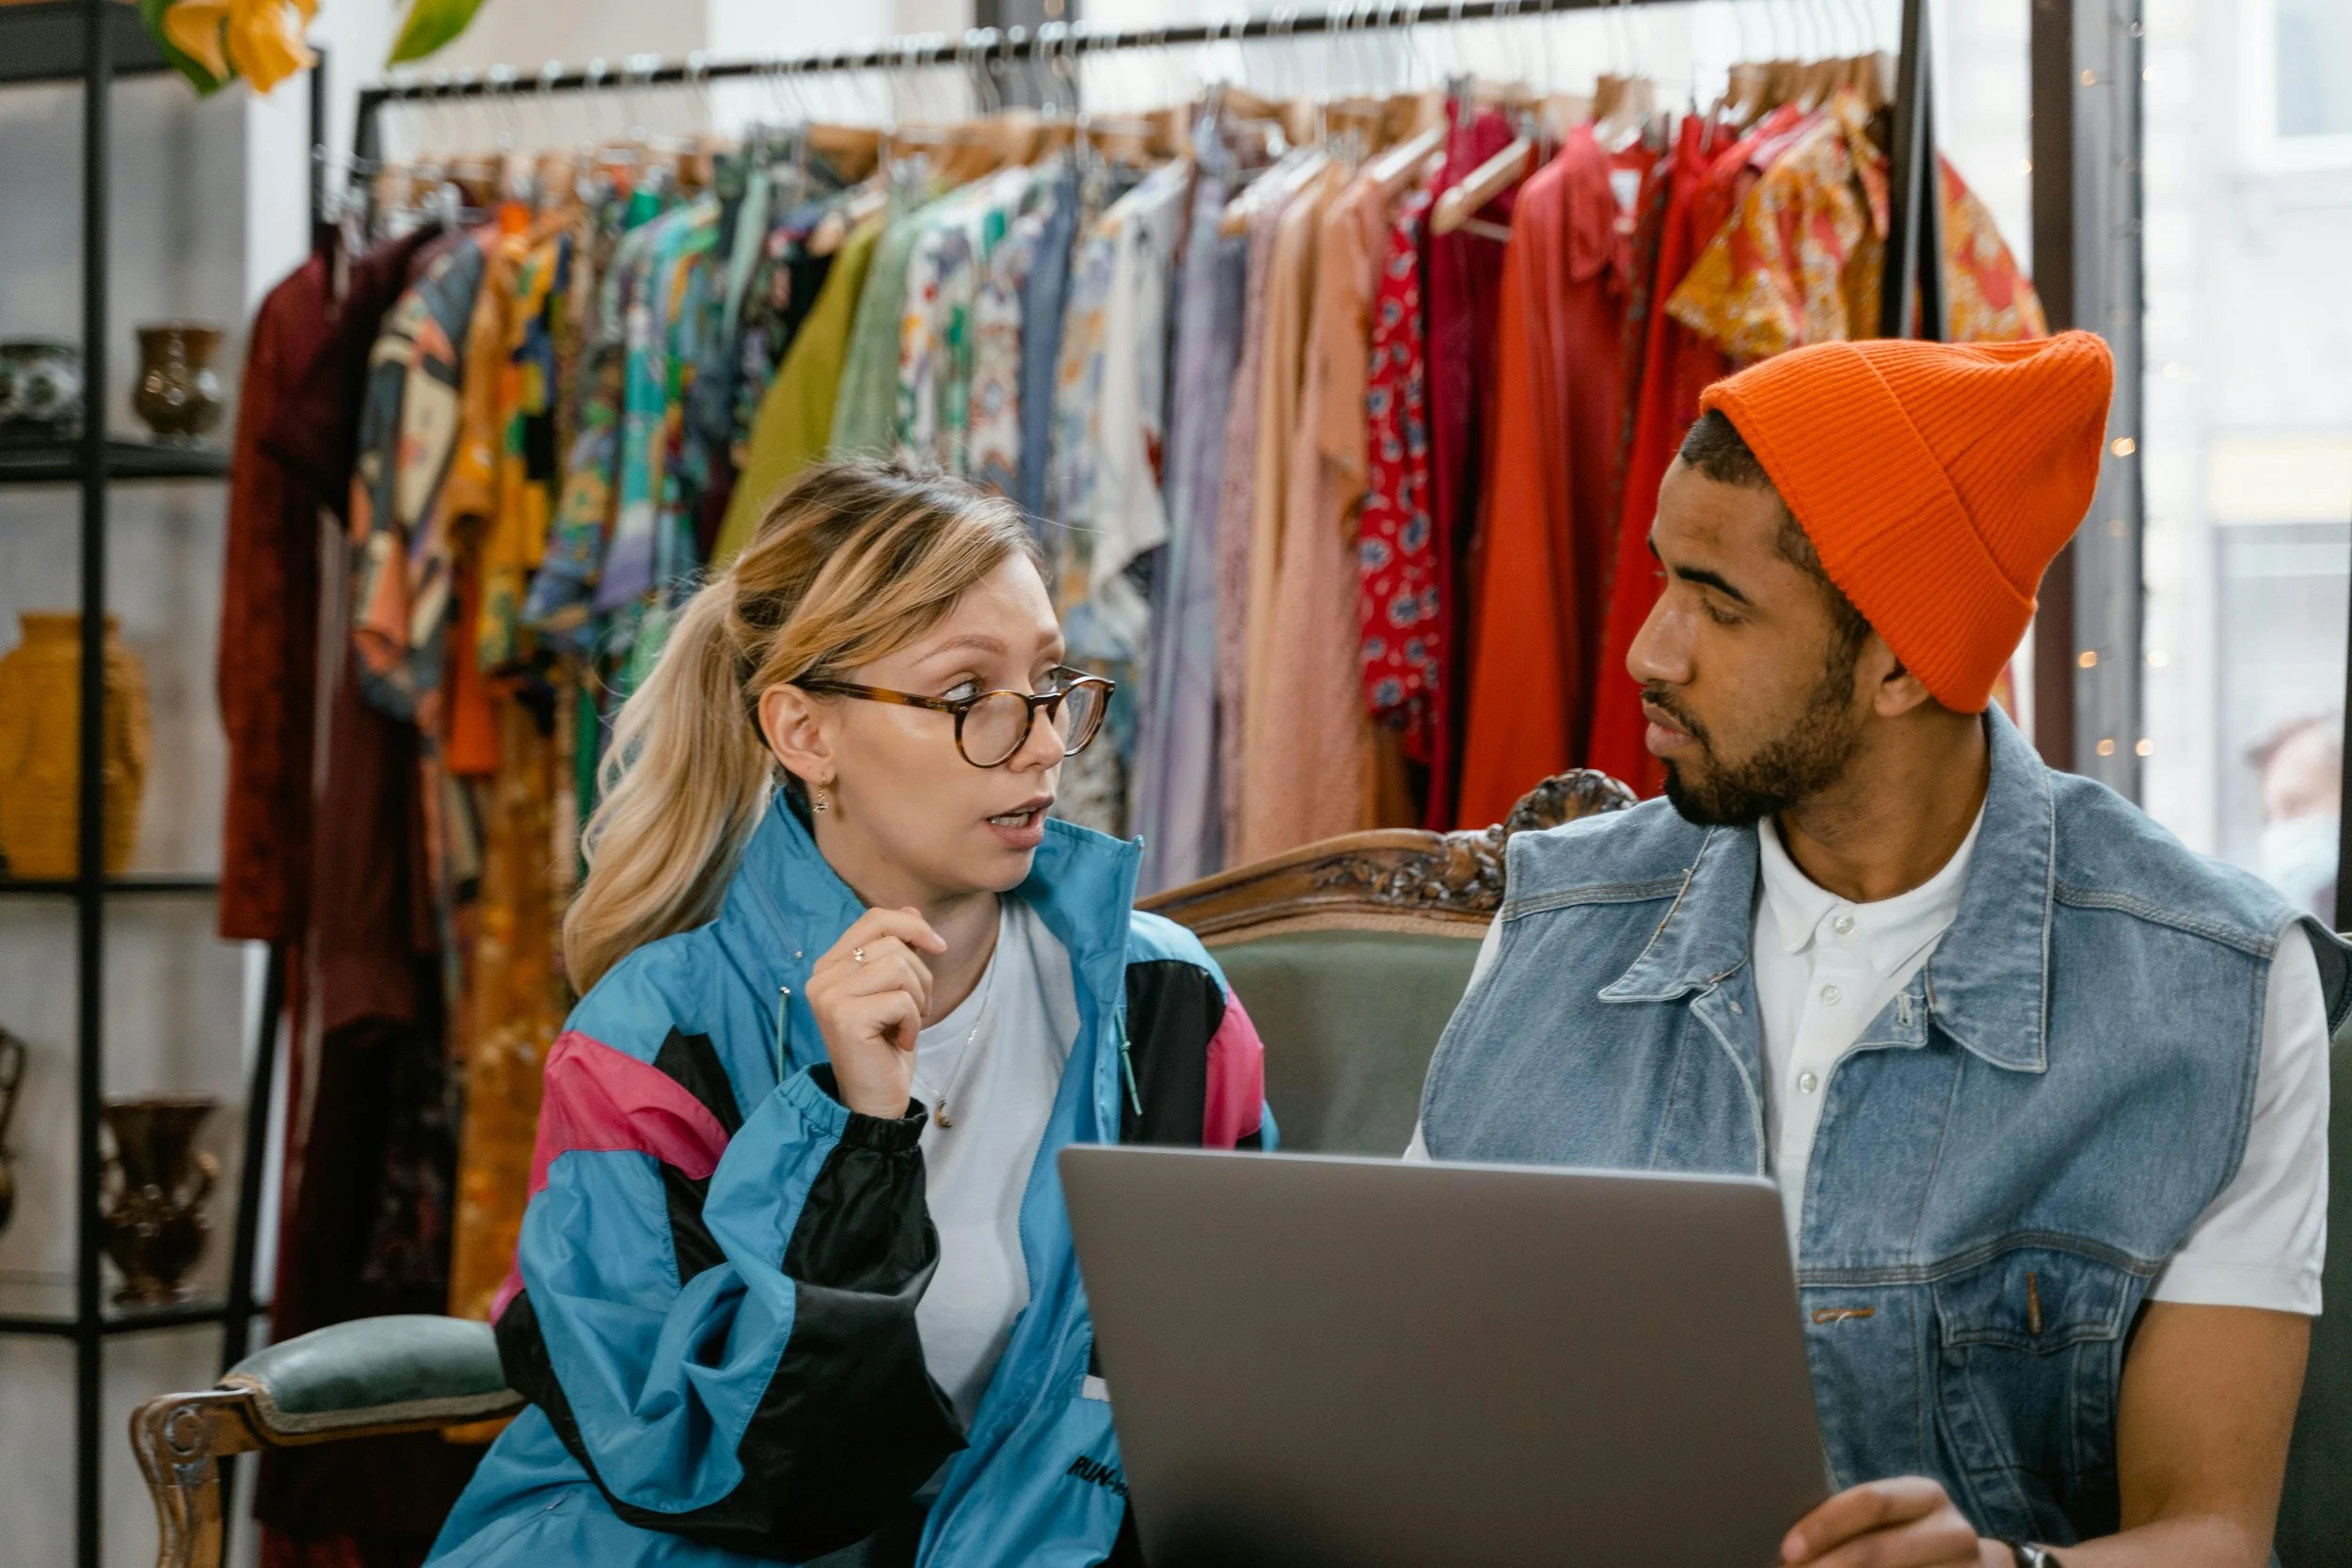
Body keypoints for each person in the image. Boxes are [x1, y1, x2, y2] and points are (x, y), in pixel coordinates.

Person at [1411, 332, 2345, 1568]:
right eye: (1662, 578)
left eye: (1719, 602)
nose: (1650, 649)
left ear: (1904, 657)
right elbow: (1413, 1390)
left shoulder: (2212, 986)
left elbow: (2215, 1532)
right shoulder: (1559, 912)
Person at [427, 460, 1270, 1568]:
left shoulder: (1167, 1000)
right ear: (804, 733)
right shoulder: (645, 1041)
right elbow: (703, 1467)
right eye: (968, 695)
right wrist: (855, 1135)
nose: (1041, 742)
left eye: (1054, 680)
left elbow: (1248, 1378)